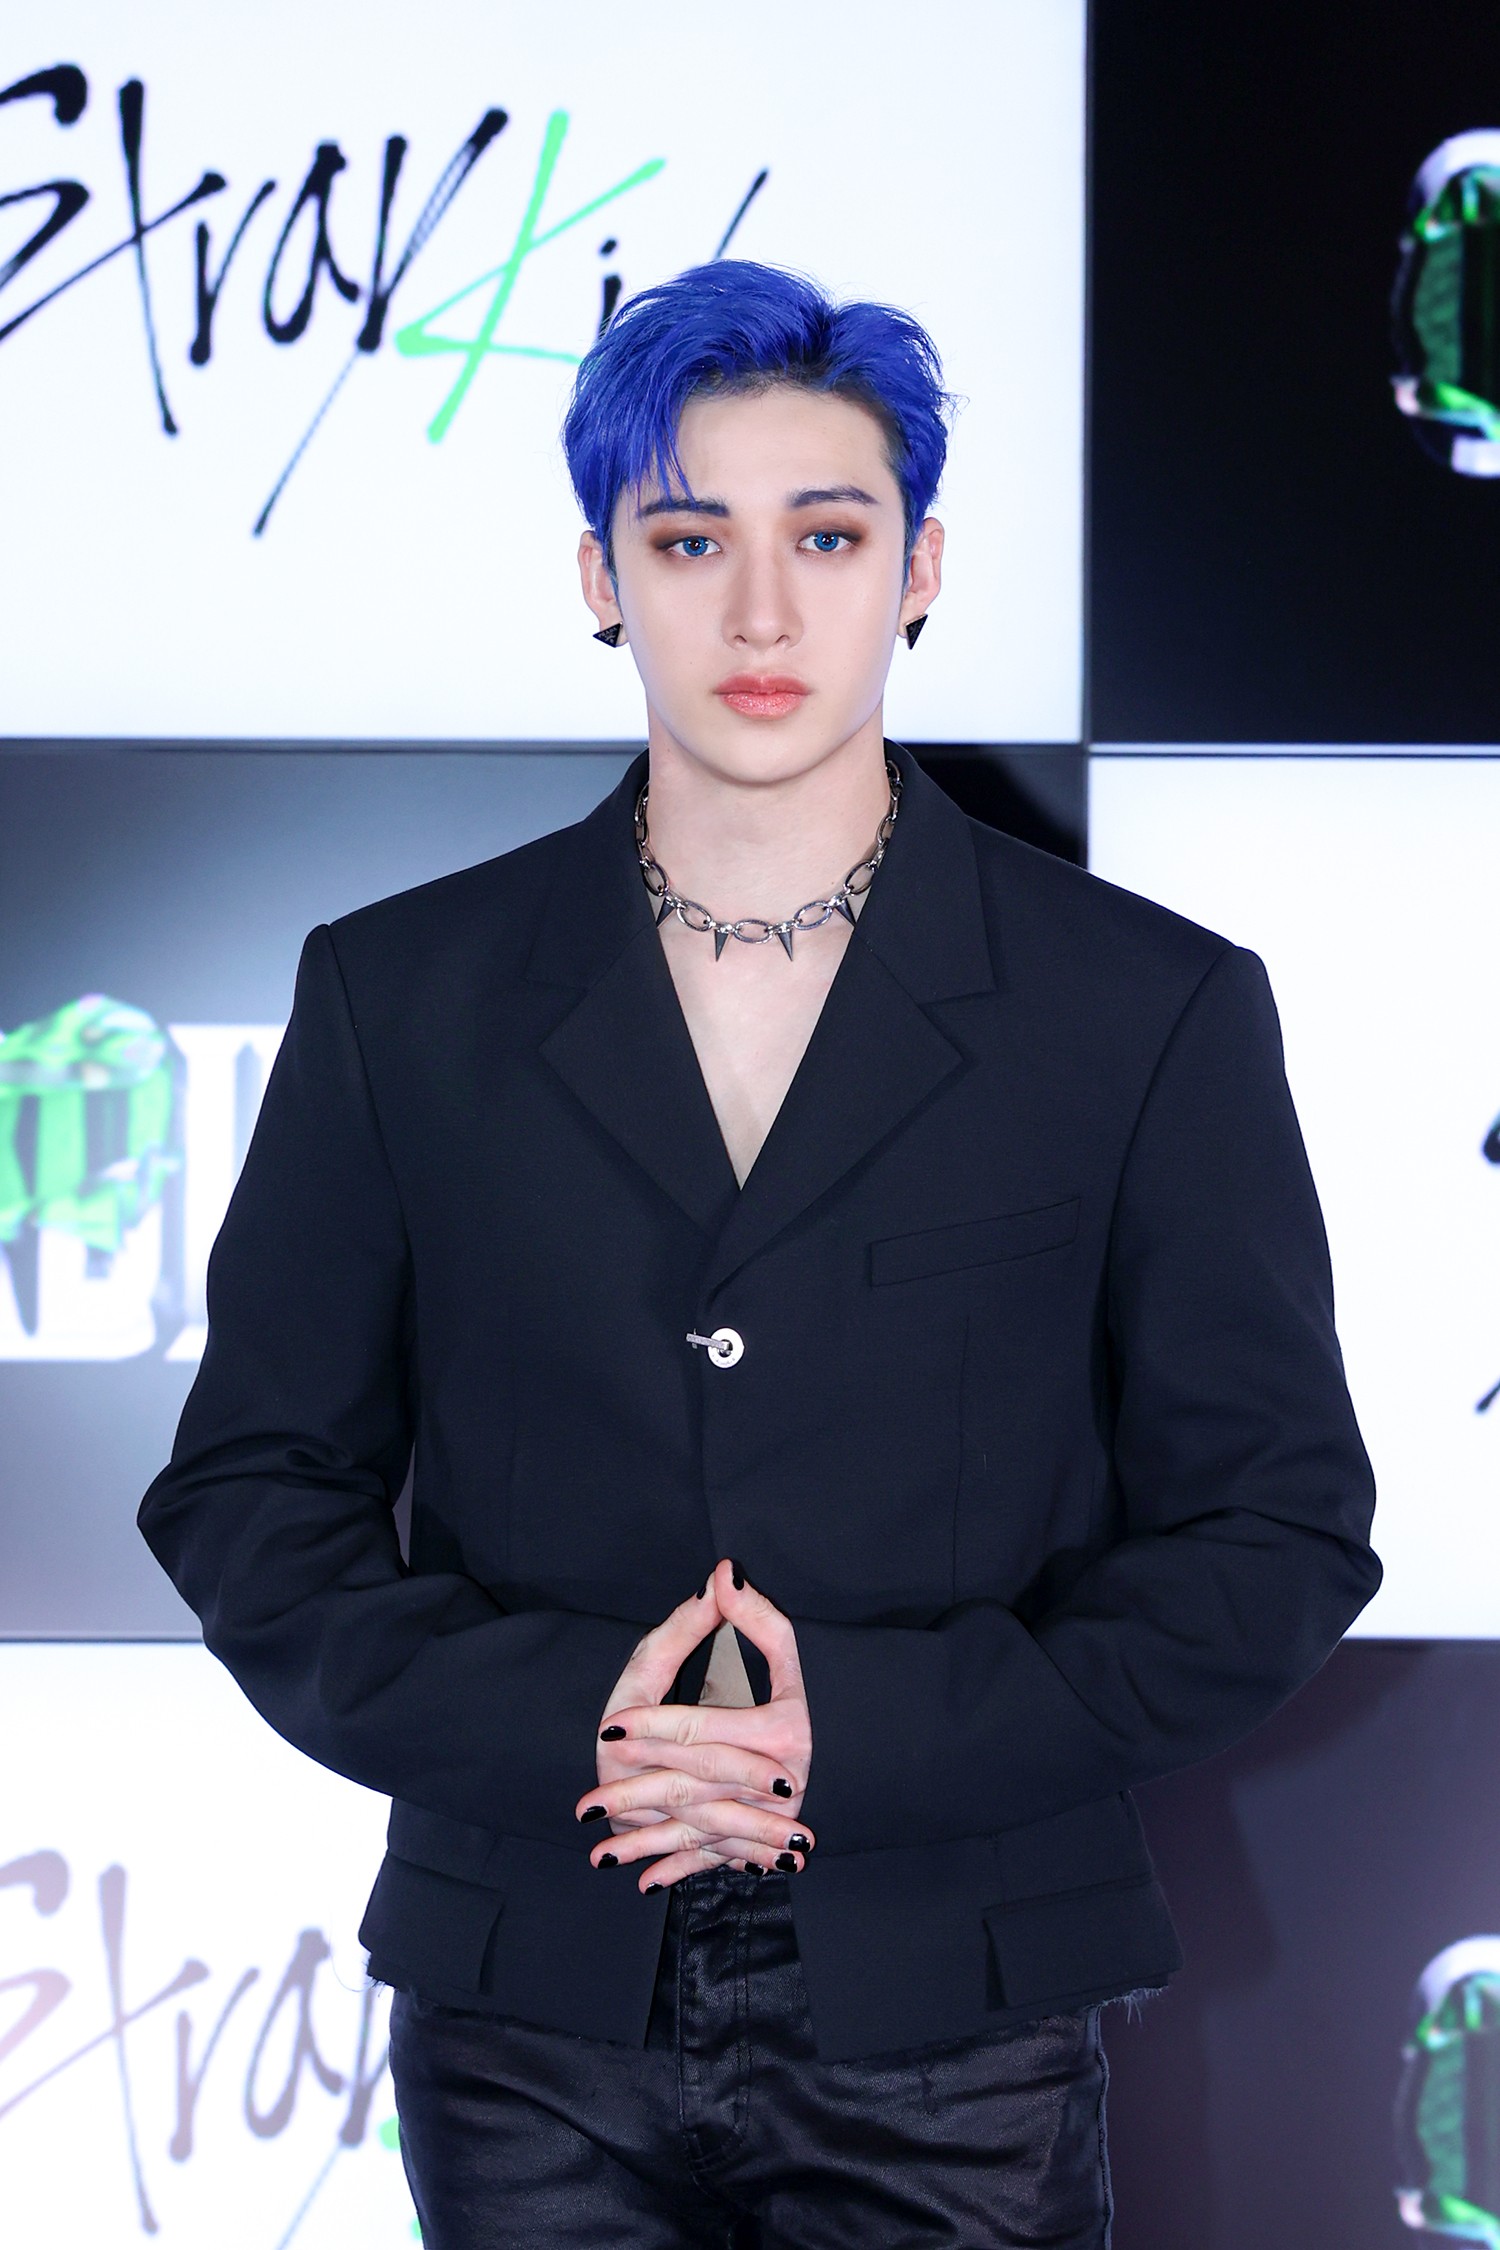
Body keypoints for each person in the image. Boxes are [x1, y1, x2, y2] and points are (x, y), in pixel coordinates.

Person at [139, 260, 1380, 2247]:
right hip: (526, 2004)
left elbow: (1277, 1531)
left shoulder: (1144, 1006)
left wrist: (855, 1738)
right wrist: (582, 1723)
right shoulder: (402, 994)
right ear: (600, 575)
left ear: (921, 564)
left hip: (962, 2002)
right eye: (690, 538)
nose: (762, 612)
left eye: (827, 534)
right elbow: (249, 1492)